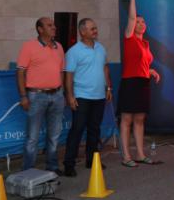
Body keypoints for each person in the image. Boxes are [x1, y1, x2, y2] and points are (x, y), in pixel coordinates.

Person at [118, 0, 161, 167]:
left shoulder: (146, 44)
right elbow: (132, 16)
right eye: (138, 21)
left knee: (140, 119)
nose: (141, 24)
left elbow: (142, 62)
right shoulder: (129, 38)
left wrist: (150, 70)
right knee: (127, 119)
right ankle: (126, 156)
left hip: (143, 82)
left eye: (144, 22)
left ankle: (141, 154)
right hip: (130, 82)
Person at [16, 17, 66, 175]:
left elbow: (62, 71)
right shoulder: (29, 46)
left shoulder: (59, 47)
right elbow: (20, 72)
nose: (54, 27)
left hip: (57, 95)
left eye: (54, 25)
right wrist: (23, 96)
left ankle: (52, 166)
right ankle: (28, 171)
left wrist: (62, 92)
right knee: (32, 137)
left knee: (55, 134)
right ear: (40, 29)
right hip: (36, 96)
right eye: (49, 25)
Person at [63, 18, 112, 177]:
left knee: (94, 129)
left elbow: (105, 68)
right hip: (82, 96)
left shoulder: (101, 48)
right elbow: (68, 76)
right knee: (77, 130)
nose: (95, 31)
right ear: (82, 32)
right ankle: (69, 164)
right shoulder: (73, 51)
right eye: (92, 29)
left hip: (99, 96)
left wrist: (108, 87)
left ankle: (92, 161)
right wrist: (70, 96)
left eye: (96, 28)